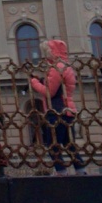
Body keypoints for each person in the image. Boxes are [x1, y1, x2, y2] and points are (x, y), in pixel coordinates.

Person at [31, 38, 85, 174]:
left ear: (51, 52)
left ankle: (61, 172)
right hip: (67, 110)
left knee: (53, 146)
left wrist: (34, 82)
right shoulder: (66, 66)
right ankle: (81, 171)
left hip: (57, 111)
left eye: (45, 52)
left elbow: (50, 92)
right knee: (69, 145)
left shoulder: (57, 68)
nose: (44, 56)